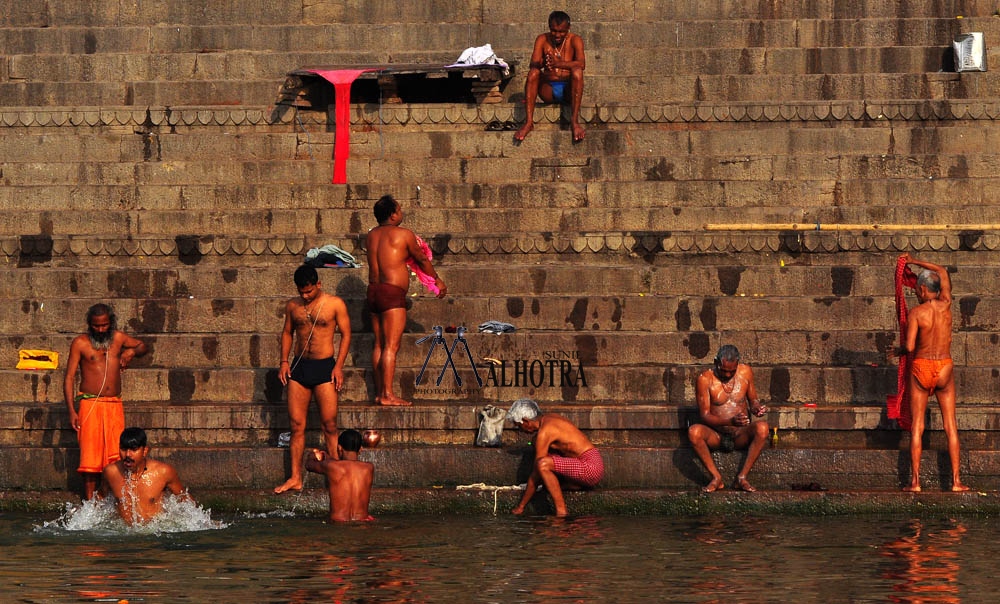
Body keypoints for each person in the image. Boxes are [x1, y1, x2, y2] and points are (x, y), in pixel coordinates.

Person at [275, 265, 352, 494]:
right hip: (299, 368)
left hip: (324, 368)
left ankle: (336, 477)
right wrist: (284, 362)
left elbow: (346, 334)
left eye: (309, 292)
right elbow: (287, 332)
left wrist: (339, 366)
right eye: (301, 292)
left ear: (318, 284)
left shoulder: (335, 304)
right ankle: (295, 478)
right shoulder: (293, 306)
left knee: (329, 425)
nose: (305, 296)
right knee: (297, 426)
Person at [365, 195, 446, 406]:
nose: (401, 213)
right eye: (399, 210)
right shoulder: (404, 235)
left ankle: (379, 392)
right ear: (393, 215)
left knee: (379, 345)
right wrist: (436, 280)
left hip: (373, 292)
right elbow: (421, 259)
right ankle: (387, 395)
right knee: (391, 347)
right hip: (391, 294)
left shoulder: (371, 236)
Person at [899, 254, 968, 492]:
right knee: (951, 426)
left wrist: (897, 350)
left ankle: (916, 482)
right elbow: (941, 269)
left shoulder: (917, 313)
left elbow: (909, 347)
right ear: (937, 290)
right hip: (944, 368)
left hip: (922, 367)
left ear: (921, 289)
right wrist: (914, 261)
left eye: (917, 290)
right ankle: (956, 482)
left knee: (917, 426)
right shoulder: (947, 303)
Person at [63, 303, 147, 500]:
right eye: (96, 326)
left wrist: (131, 352)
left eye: (104, 325)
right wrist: (71, 411)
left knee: (116, 455)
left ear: (111, 323)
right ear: (89, 324)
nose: (101, 330)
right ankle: (90, 502)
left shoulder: (118, 338)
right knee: (90, 458)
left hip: (114, 404)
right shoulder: (80, 343)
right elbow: (68, 378)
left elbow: (143, 345)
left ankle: (110, 498)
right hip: (89, 405)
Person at [687, 345, 769, 492]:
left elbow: (753, 400)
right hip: (716, 436)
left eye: (732, 371)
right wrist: (729, 421)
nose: (727, 375)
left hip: (740, 434)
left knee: (763, 428)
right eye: (723, 370)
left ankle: (742, 478)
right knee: (694, 432)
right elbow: (704, 416)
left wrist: (757, 408)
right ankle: (716, 478)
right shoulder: (704, 379)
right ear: (715, 362)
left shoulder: (746, 372)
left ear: (738, 364)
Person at [507, 399, 603, 517]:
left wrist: (521, 506)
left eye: (519, 426)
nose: (520, 430)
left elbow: (537, 472)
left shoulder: (545, 432)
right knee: (537, 445)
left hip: (590, 468)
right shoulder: (549, 418)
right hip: (593, 461)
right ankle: (573, 484)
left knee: (542, 464)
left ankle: (561, 511)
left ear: (525, 421)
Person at [514, 10, 586, 142]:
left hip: (568, 90)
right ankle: (529, 122)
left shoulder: (575, 40)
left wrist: (559, 63)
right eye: (554, 31)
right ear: (549, 27)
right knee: (533, 73)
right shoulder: (542, 39)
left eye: (561, 31)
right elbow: (533, 64)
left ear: (568, 29)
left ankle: (574, 122)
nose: (557, 35)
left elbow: (581, 64)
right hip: (547, 89)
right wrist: (544, 63)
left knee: (577, 72)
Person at [102, 427, 192, 525]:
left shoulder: (163, 472)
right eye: (123, 449)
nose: (128, 455)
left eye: (133, 449)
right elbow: (99, 500)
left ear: (145, 451)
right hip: (123, 534)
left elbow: (186, 501)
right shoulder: (111, 472)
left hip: (153, 533)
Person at [305, 429, 375, 522]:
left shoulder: (332, 466)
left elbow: (309, 465)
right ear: (360, 449)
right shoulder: (369, 468)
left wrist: (312, 455)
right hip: (362, 521)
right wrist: (329, 458)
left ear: (339, 448)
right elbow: (349, 466)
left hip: (338, 522)